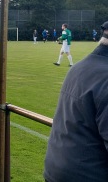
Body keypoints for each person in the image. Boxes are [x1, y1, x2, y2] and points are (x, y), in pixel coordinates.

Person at [43, 20, 108, 181]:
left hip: (57, 170)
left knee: (64, 54)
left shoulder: (79, 68)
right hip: (88, 174)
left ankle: (60, 62)